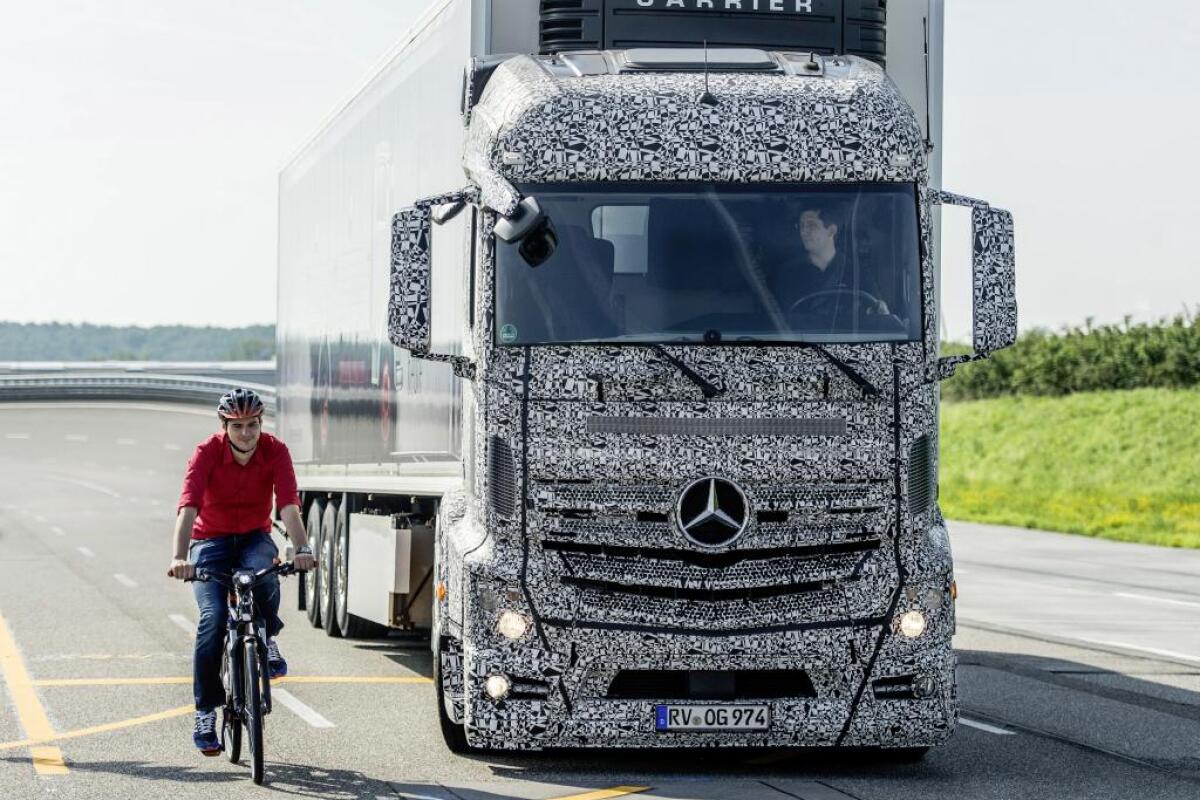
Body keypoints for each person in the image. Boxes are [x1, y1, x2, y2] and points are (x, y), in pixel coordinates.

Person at [167, 388, 317, 755]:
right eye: (238, 426)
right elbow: (188, 507)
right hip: (210, 543)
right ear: (224, 427)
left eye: (252, 425)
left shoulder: (275, 451)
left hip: (253, 537)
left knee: (265, 571)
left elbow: (288, 506)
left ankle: (268, 637)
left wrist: (302, 549)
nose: (247, 433)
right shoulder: (206, 453)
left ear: (261, 424)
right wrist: (178, 557)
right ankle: (205, 712)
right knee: (212, 619)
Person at [774, 206, 889, 320]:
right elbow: (779, 322)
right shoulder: (788, 273)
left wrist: (881, 310)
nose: (803, 231)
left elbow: (879, 313)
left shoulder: (858, 272)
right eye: (801, 226)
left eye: (811, 225)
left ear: (831, 230)